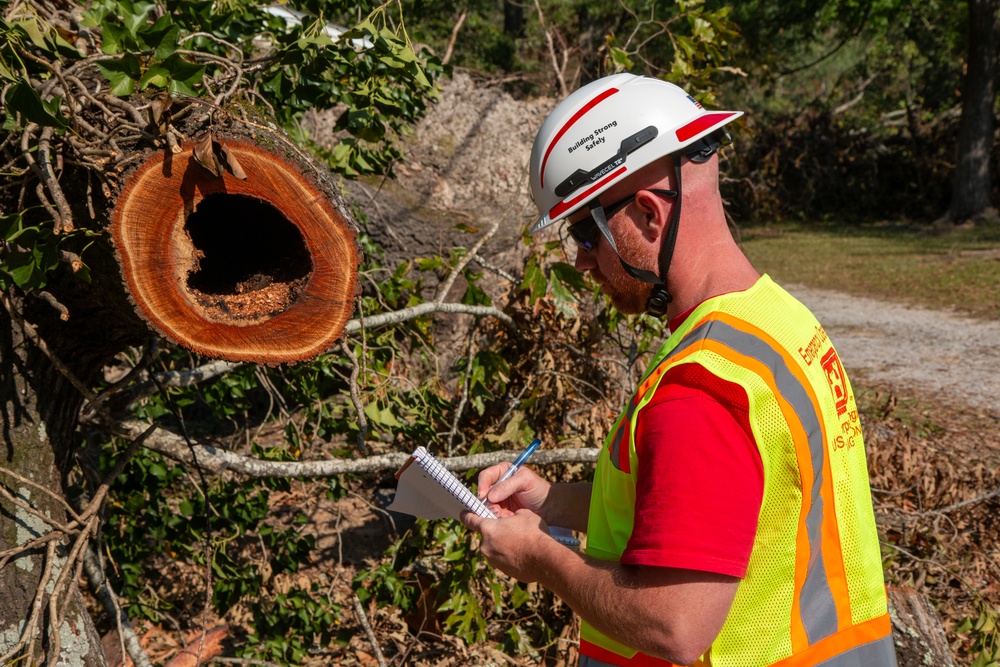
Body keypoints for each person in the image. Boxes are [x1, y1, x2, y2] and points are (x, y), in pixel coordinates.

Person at [460, 73, 897, 667]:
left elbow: (675, 626)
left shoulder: (702, 388)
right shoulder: (774, 323)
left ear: (647, 215)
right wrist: (554, 504)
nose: (583, 262)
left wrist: (539, 557)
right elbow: (710, 511)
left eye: (585, 233)